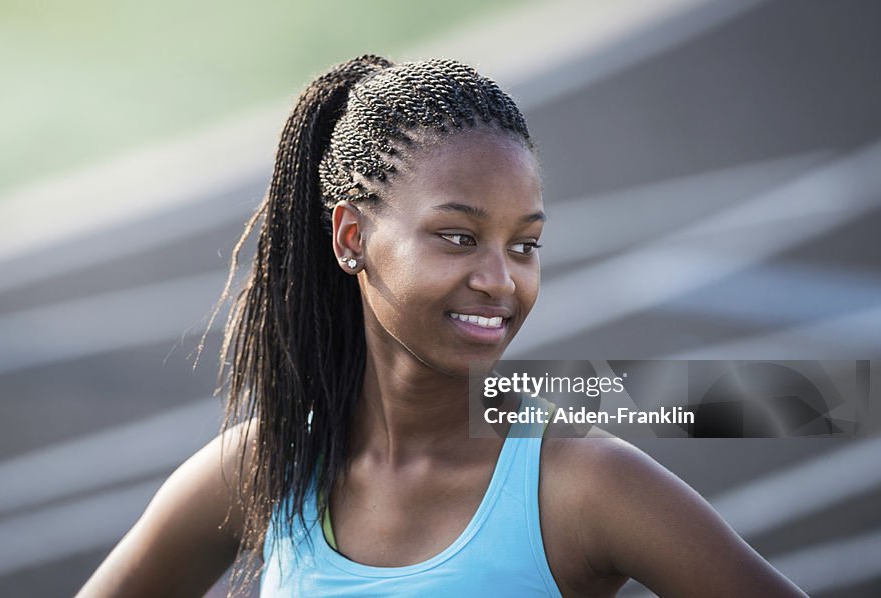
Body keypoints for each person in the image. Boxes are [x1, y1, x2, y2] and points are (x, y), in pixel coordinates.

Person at [77, 55, 806, 597]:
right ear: (351, 238)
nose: (501, 279)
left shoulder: (584, 484)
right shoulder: (266, 469)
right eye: (458, 237)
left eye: (525, 245)